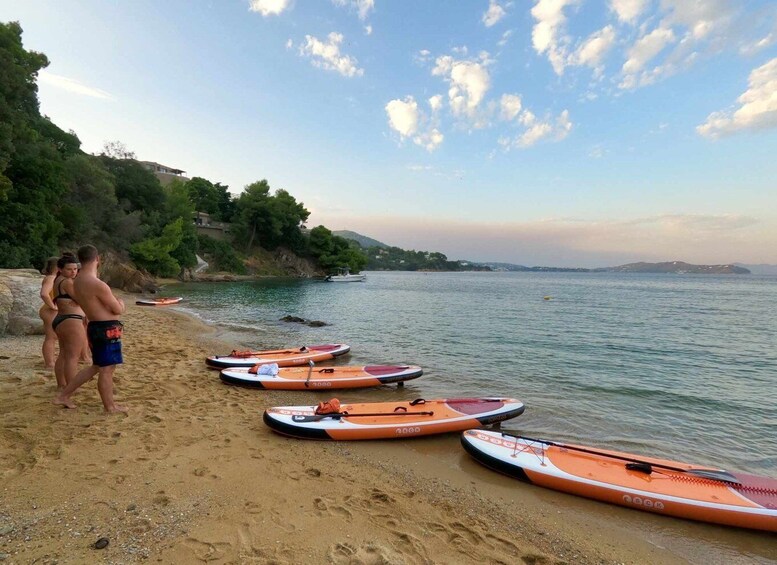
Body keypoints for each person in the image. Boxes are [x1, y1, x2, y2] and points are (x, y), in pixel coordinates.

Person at [54, 245, 127, 413]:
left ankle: (63, 395)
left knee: (97, 366)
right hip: (106, 329)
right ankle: (110, 406)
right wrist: (121, 303)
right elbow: (117, 309)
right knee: (107, 369)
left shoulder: (77, 281)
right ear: (97, 259)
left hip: (94, 326)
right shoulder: (97, 284)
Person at [52, 253, 89, 389]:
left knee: (64, 354)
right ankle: (70, 388)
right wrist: (79, 300)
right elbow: (82, 299)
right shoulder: (67, 282)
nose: (73, 272)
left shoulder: (58, 280)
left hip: (61, 320)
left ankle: (61, 384)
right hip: (71, 321)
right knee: (72, 357)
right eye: (69, 269)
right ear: (60, 269)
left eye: (75, 269)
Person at [38, 256, 59, 370]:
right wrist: (53, 306)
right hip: (49, 310)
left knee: (52, 337)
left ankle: (50, 362)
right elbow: (44, 294)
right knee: (51, 338)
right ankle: (49, 363)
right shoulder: (51, 278)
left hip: (49, 310)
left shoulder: (52, 277)